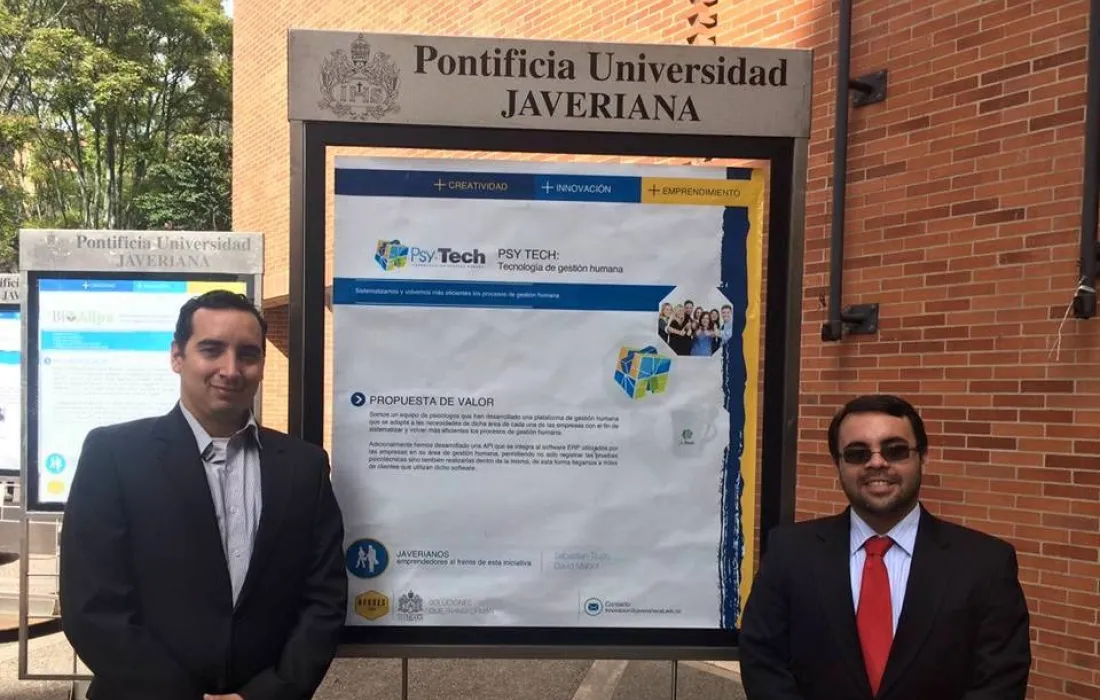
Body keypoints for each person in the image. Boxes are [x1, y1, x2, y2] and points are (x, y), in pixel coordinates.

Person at [59, 290, 348, 700]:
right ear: (177, 356)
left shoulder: (305, 467)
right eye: (211, 350)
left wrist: (268, 693)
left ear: (262, 365)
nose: (230, 370)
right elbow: (91, 606)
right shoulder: (114, 455)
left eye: (247, 354)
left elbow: (324, 599)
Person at [739, 394, 1031, 700]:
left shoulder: (986, 564)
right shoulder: (789, 552)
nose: (876, 462)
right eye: (857, 453)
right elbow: (763, 659)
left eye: (895, 450)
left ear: (923, 457)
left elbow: (1000, 680)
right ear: (837, 465)